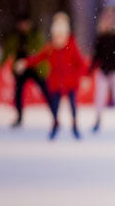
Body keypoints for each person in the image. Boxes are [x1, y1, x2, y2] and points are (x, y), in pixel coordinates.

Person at [23, 12, 88, 140]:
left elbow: (80, 63)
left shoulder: (71, 45)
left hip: (70, 81)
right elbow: (39, 57)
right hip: (55, 81)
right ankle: (55, 124)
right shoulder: (51, 47)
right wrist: (26, 63)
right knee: (54, 105)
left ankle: (74, 126)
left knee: (72, 105)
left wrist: (83, 75)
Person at [1, 13, 51, 128]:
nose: (23, 26)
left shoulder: (35, 34)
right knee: (18, 93)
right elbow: (7, 49)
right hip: (20, 68)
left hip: (35, 67)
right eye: (21, 24)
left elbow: (40, 49)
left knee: (45, 90)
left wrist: (29, 53)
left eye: (25, 24)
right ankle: (19, 116)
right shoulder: (15, 36)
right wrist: (2, 63)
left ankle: (54, 113)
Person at [90, 7, 115, 133]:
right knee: (100, 95)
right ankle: (98, 119)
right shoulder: (101, 36)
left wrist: (111, 68)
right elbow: (97, 54)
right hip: (104, 70)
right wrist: (90, 71)